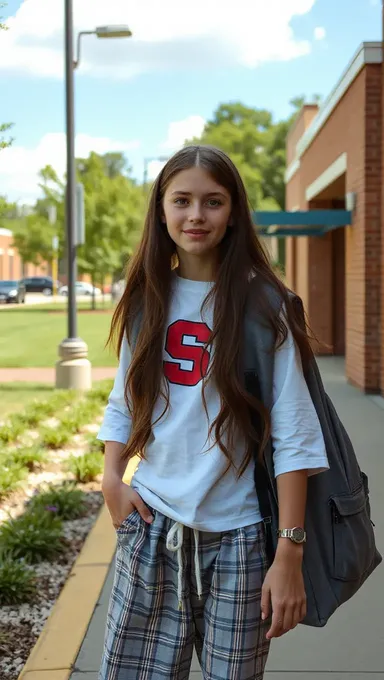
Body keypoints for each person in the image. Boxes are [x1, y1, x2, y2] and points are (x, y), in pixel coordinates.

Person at [97, 145, 329, 680]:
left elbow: (294, 432)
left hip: (241, 541)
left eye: (213, 201)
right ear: (161, 210)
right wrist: (112, 479)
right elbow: (125, 402)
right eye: (181, 201)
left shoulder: (266, 305)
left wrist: (289, 554)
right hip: (152, 525)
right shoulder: (144, 299)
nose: (196, 215)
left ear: (234, 210)